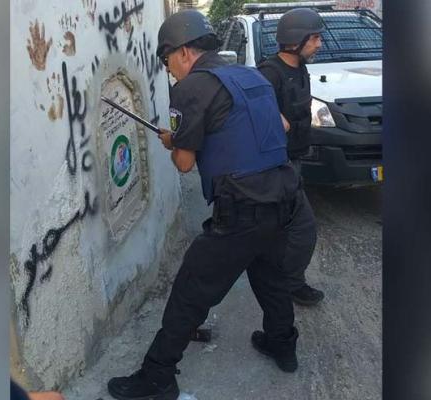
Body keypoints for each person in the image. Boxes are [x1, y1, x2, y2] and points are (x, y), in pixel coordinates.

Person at [107, 10, 304, 400]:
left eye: (166, 61)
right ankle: (282, 345)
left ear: (182, 52)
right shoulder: (252, 75)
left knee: (190, 289)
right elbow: (279, 126)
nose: (169, 71)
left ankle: (158, 376)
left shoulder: (191, 88)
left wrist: (175, 141)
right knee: (271, 276)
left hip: (242, 209)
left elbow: (184, 163)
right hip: (284, 197)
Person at [257, 7, 326, 306]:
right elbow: (252, 116)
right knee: (302, 229)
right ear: (297, 40)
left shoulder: (299, 68)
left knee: (284, 228)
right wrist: (271, 116)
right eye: (315, 38)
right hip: (278, 167)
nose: (319, 44)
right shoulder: (269, 74)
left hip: (294, 160)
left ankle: (282, 281)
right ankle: (287, 285)